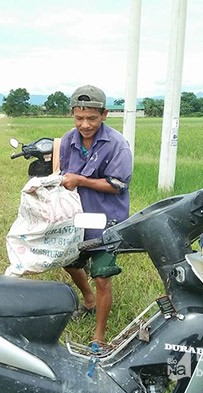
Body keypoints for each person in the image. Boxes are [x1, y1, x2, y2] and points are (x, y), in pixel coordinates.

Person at [59, 85, 133, 346]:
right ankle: (88, 300)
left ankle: (99, 337)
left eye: (91, 118)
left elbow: (117, 185)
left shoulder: (117, 144)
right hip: (77, 217)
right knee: (68, 262)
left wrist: (81, 180)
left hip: (106, 219)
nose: (85, 124)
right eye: (79, 118)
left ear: (104, 114)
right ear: (73, 115)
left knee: (102, 277)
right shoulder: (68, 140)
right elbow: (63, 174)